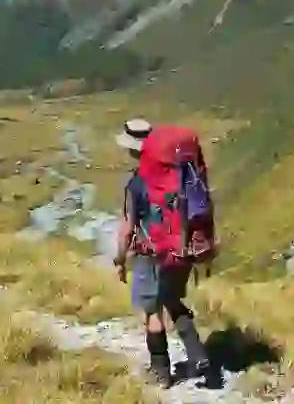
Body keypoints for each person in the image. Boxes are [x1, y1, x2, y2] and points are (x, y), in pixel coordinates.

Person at [112, 118, 212, 388]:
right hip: (181, 252)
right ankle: (198, 353)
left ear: (134, 150)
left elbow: (127, 228)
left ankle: (161, 373)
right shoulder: (181, 175)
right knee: (174, 300)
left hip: (151, 255)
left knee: (152, 312)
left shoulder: (136, 184)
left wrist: (119, 260)